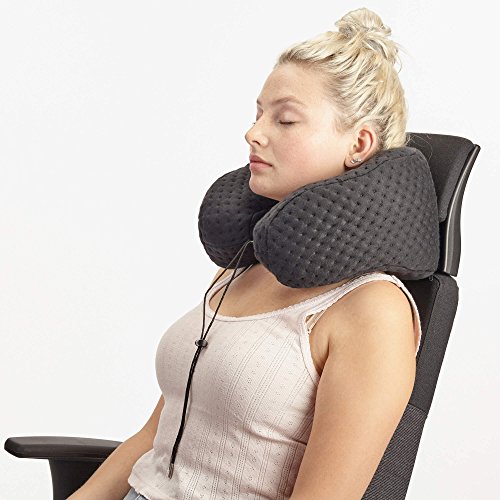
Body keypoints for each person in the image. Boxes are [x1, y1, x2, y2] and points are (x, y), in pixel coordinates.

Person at [69, 7, 420, 499]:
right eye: (258, 114)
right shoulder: (243, 267)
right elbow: (153, 439)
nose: (254, 133)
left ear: (359, 143)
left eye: (286, 119)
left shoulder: (372, 311)